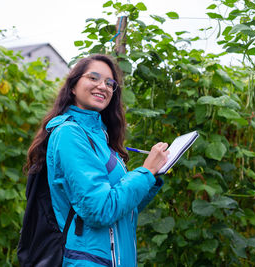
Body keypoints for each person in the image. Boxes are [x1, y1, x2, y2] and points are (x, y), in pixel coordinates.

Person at [24, 54, 169, 266]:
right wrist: (145, 172)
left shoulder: (101, 138)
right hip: (90, 260)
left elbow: (122, 207)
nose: (103, 86)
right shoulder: (70, 134)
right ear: (73, 86)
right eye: (93, 78)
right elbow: (100, 210)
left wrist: (151, 177)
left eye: (110, 83)